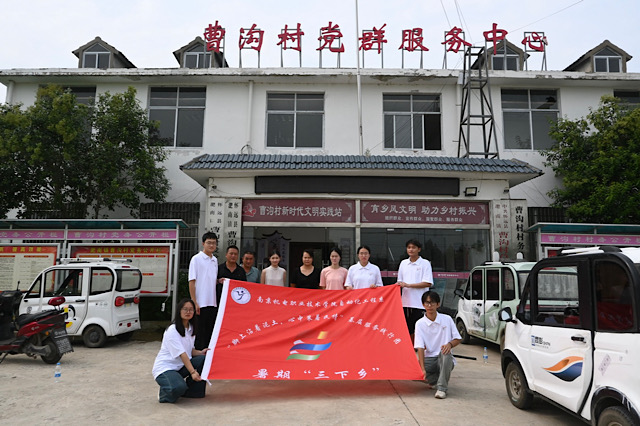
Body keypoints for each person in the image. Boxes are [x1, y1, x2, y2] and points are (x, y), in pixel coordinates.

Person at [152, 298, 209, 403]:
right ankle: (165, 393)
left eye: (191, 309)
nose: (188, 312)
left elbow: (190, 351)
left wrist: (201, 352)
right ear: (179, 311)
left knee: (204, 358)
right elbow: (182, 354)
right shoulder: (172, 330)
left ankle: (193, 391)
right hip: (166, 368)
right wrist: (193, 372)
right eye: (185, 309)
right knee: (178, 387)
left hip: (181, 366)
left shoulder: (191, 328)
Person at [414, 291, 462, 400]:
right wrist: (422, 369)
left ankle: (442, 388)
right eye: (427, 303)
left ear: (438, 304)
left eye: (432, 303)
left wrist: (450, 344)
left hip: (444, 358)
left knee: (445, 353)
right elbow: (420, 347)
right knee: (412, 370)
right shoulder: (420, 323)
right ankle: (435, 380)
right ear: (423, 305)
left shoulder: (447, 319)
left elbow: (458, 338)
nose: (429, 306)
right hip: (430, 359)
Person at [396, 239, 433, 341]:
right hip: (406, 302)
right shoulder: (403, 263)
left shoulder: (425, 263)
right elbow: (399, 282)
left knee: (420, 328)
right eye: (409, 247)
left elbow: (427, 283)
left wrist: (408, 285)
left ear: (419, 249)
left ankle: (420, 346)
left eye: (413, 247)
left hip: (420, 303)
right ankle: (410, 346)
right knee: (407, 327)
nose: (411, 250)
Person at [188, 232, 218, 350]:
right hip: (200, 303)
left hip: (212, 302)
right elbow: (192, 281)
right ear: (203, 244)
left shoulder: (214, 260)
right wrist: (194, 302)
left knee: (209, 331)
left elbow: (211, 279)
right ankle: (198, 355)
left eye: (214, 243)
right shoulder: (196, 259)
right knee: (199, 331)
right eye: (209, 243)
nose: (211, 245)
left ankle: (208, 355)